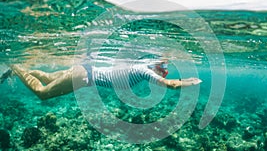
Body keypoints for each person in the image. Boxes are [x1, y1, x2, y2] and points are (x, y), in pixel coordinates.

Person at [1, 60, 201, 100]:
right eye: (163, 68)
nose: (164, 72)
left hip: (83, 70)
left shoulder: (142, 66)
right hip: (84, 76)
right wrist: (187, 82)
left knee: (45, 77)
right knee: (42, 93)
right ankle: (15, 66)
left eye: (166, 69)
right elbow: (170, 84)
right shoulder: (145, 70)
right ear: (156, 66)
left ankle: (17, 70)